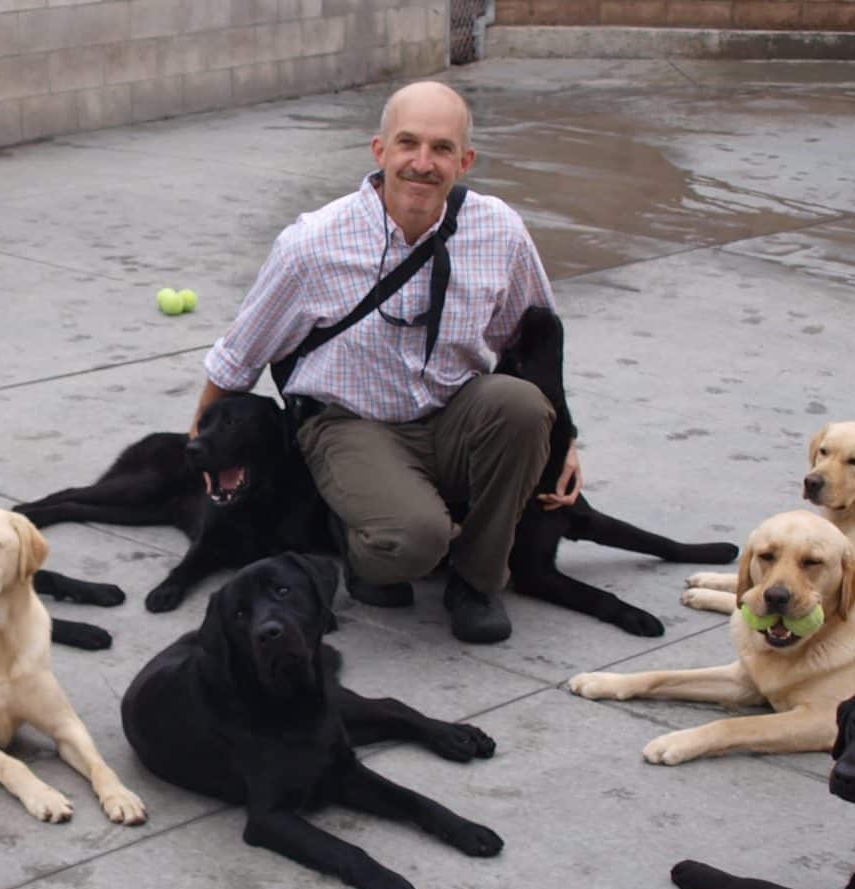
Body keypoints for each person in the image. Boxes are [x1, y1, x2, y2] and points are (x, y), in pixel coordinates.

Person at [192, 80, 575, 646]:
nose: (423, 163)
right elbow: (239, 355)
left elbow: (537, 338)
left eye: (442, 149)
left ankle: (477, 580)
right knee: (414, 541)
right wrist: (201, 442)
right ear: (380, 151)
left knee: (521, 406)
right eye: (408, 144)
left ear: (464, 161)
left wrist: (563, 443)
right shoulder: (314, 244)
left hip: (453, 410)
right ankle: (363, 548)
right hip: (349, 423)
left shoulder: (498, 230)